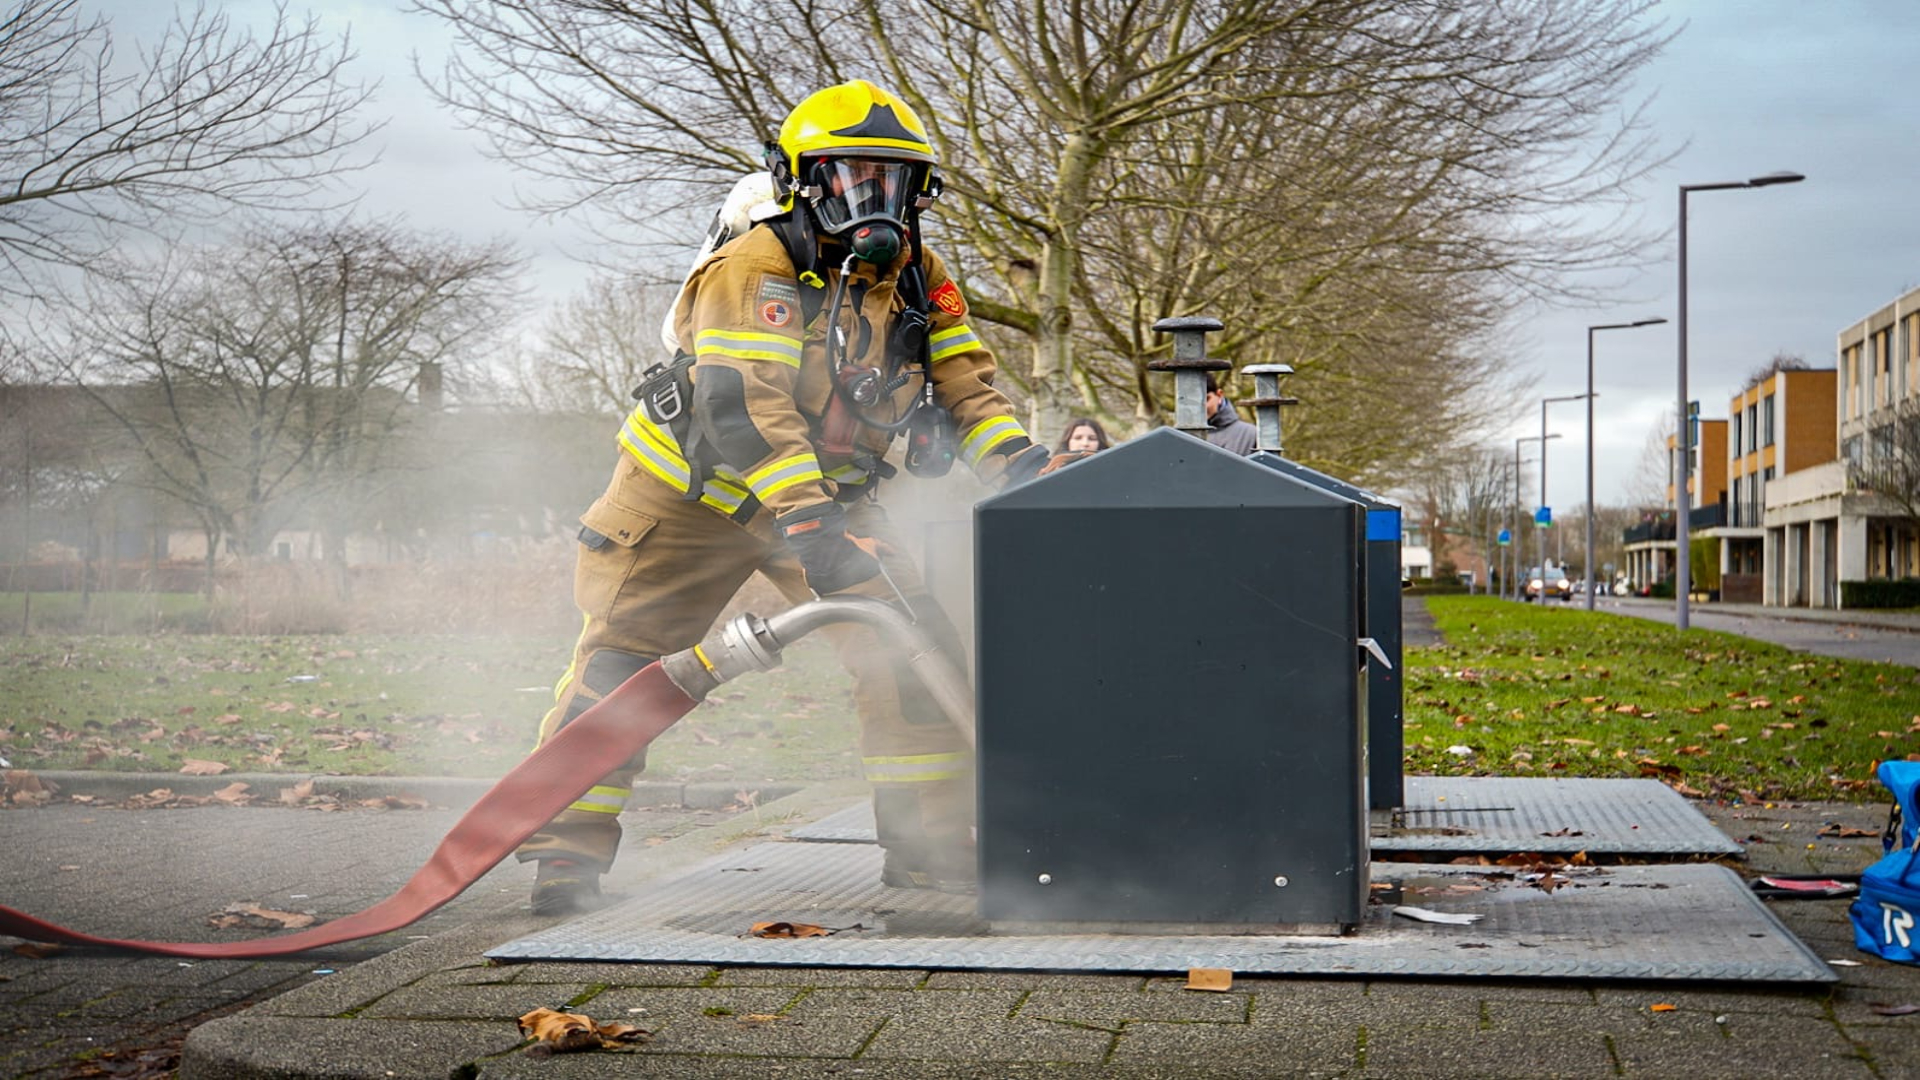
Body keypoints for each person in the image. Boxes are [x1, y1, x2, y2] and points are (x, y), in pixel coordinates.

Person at [516, 80, 1048, 915]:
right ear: (799, 178)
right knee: (620, 668)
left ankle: (930, 849)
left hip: (830, 500)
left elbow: (967, 385)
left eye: (893, 180)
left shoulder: (920, 273)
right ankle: (562, 860)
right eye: (848, 177)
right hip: (689, 500)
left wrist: (1023, 471)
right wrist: (810, 523)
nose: (872, 200)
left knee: (916, 653)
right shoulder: (753, 263)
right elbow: (744, 406)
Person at [1204, 373, 1258, 455]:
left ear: (1219, 395)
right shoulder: (1181, 436)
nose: (1202, 407)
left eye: (1206, 399)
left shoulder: (1250, 435)